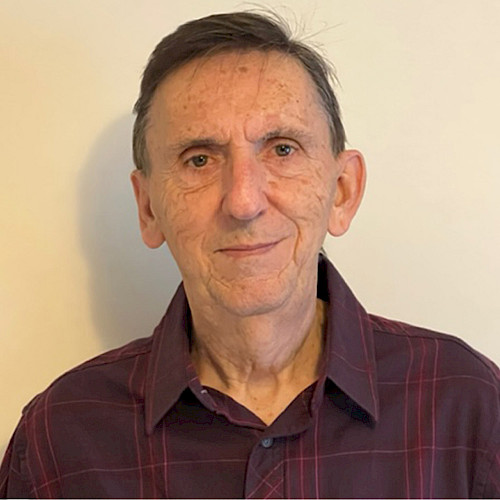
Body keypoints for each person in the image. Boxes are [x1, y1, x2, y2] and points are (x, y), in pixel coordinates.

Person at [1, 11, 499, 499]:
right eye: (199, 159)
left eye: (282, 149)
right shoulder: (61, 440)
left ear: (343, 191)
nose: (243, 201)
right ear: (149, 207)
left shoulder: (467, 407)